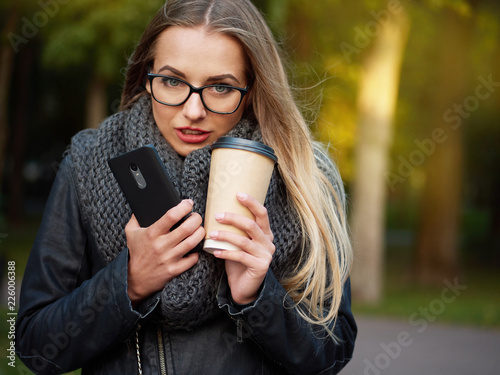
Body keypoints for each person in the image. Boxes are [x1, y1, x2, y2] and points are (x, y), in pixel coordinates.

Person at [16, 0, 356, 374]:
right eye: (173, 81)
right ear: (147, 76)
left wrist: (260, 297)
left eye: (221, 87)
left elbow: (330, 354)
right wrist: (127, 282)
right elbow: (34, 346)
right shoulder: (90, 161)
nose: (193, 111)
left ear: (253, 87)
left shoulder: (304, 174)